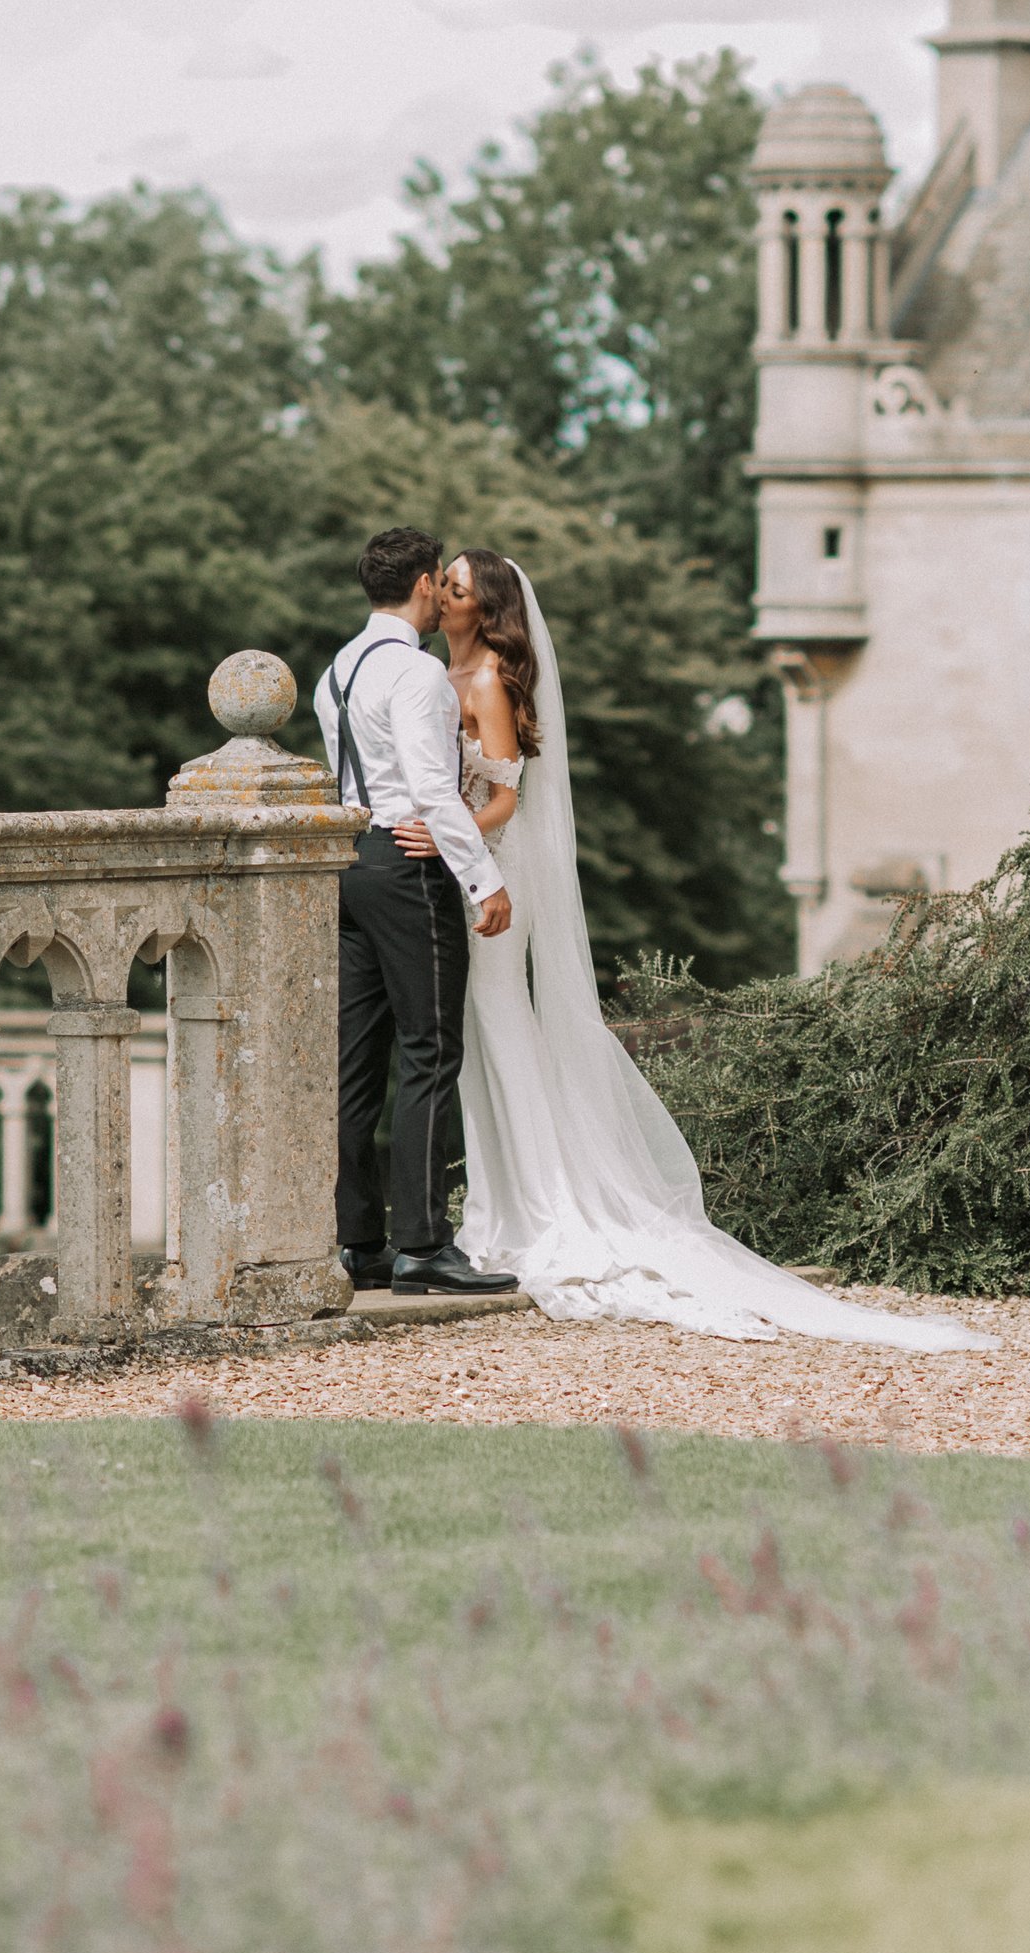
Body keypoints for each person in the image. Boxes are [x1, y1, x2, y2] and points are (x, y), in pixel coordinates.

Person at [383, 545, 985, 1347]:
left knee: (494, 1022)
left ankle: (538, 1204)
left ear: (485, 611)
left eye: (456, 591)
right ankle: (502, 1197)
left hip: (493, 869)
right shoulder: (433, 678)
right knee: (469, 1034)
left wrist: (447, 836)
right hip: (460, 865)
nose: (444, 600)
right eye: (445, 589)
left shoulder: (489, 679)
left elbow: (507, 798)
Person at [315, 529, 522, 1299]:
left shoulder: (336, 669)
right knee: (430, 1050)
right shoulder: (419, 673)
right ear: (427, 583)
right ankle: (425, 1245)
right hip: (409, 867)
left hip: (349, 863)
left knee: (354, 1063)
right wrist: (483, 881)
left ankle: (357, 1242)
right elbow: (434, 790)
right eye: (443, 583)